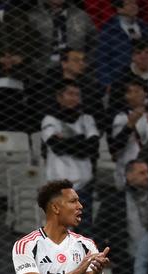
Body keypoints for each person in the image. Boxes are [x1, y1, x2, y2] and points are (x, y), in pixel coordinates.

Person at [41, 80, 100, 232]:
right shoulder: (50, 120)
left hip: (84, 187)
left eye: (77, 95)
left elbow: (92, 148)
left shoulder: (87, 119)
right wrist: (81, 140)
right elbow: (57, 147)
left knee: (84, 236)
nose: (74, 98)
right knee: (60, 236)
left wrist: (67, 141)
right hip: (59, 190)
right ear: (59, 97)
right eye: (70, 94)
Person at [27, 0, 96, 75]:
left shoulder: (80, 14)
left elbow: (95, 41)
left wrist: (85, 62)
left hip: (76, 73)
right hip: (41, 72)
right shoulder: (32, 16)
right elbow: (26, 44)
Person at [96, 0, 148, 89]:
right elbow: (102, 58)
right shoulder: (108, 29)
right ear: (119, 9)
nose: (134, 6)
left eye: (135, 3)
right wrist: (106, 82)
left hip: (143, 77)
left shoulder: (143, 26)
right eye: (129, 3)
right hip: (118, 80)